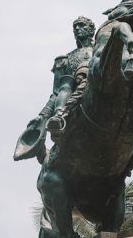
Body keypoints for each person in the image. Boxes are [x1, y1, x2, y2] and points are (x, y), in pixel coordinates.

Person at [13, 17, 95, 162]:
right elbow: (57, 92)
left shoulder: (103, 50)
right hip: (73, 99)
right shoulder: (65, 59)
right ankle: (59, 118)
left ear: (91, 30)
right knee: (66, 84)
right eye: (75, 27)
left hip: (97, 92)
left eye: (81, 25)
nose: (76, 29)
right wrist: (43, 115)